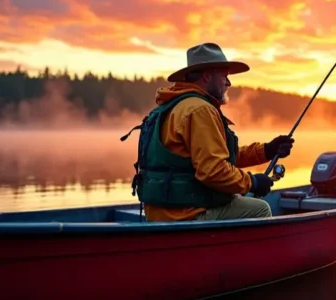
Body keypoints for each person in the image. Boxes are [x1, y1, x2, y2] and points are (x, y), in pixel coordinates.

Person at [122, 42, 294, 222]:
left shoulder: (175, 105)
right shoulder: (200, 110)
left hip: (160, 213)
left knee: (239, 200)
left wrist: (266, 150)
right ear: (206, 76)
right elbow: (213, 171)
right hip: (185, 215)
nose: (228, 82)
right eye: (224, 76)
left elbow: (216, 157)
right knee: (260, 209)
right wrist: (252, 182)